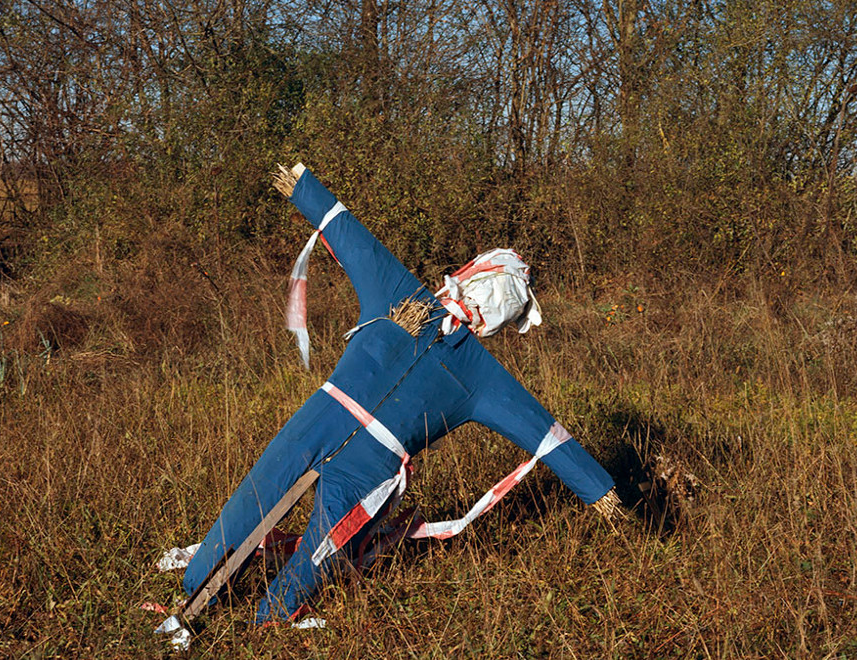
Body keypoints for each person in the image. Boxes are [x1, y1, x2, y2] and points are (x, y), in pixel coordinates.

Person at [181, 164, 618, 625]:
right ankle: (249, 609)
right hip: (353, 452)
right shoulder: (471, 364)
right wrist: (603, 494)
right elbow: (547, 437)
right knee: (289, 528)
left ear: (470, 274)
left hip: (333, 436)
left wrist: (300, 185)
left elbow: (349, 235)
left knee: (280, 516)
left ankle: (237, 606)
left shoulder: (411, 304)